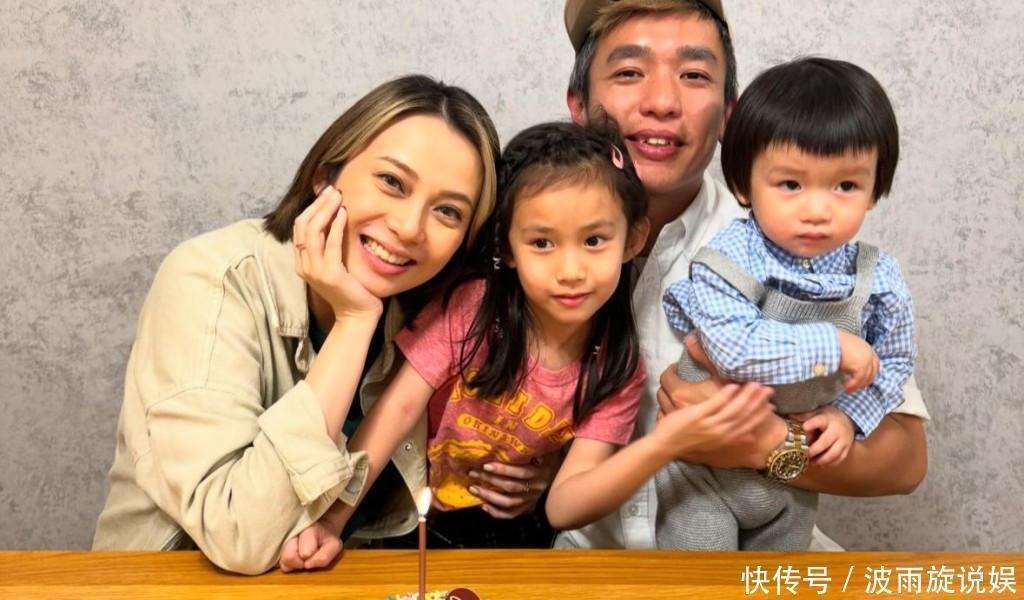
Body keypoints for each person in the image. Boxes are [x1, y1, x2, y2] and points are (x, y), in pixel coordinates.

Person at [91, 74, 545, 574]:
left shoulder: (430, 310)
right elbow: (238, 535)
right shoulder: (212, 278)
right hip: (169, 583)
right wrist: (354, 321)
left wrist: (534, 476)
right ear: (326, 176)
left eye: (448, 212)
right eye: (392, 183)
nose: (409, 227)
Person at [277, 122, 776, 571]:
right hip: (418, 522)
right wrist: (333, 521)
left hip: (525, 537)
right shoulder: (473, 311)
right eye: (542, 243)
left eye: (594, 241)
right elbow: (396, 409)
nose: (571, 271)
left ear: (633, 239)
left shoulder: (617, 365)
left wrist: (667, 444)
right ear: (507, 248)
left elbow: (564, 506)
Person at [556, 0, 929, 550]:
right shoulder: (527, 235)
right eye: (630, 72)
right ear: (579, 104)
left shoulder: (792, 248)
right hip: (591, 561)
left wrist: (768, 443)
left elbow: (906, 459)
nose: (662, 102)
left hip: (761, 551)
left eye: (694, 75)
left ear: (730, 115)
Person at [656, 57, 916, 550]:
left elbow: (894, 363)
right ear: (743, 185)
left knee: (778, 577)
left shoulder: (877, 280)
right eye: (791, 184)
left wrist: (848, 415)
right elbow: (735, 349)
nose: (817, 210)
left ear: (874, 189)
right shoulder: (728, 258)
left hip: (790, 486)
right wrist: (834, 345)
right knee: (702, 578)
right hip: (700, 477)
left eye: (846, 186)